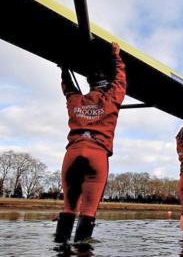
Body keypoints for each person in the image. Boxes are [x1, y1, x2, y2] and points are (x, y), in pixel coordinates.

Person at [54, 42, 126, 248]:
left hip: (73, 152)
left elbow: (68, 89)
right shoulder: (111, 99)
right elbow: (121, 82)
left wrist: (64, 70)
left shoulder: (76, 100)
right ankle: (83, 247)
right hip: (97, 154)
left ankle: (60, 248)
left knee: (69, 207)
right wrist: (116, 56)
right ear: (105, 85)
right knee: (88, 210)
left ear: (91, 84)